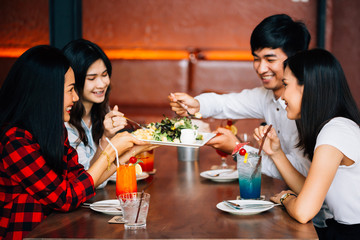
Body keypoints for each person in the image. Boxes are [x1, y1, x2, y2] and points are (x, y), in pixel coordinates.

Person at [0, 45, 148, 239]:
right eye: (71, 90)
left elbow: (81, 179)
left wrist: (127, 154)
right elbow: (65, 197)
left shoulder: (52, 129)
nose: (75, 97)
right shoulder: (15, 141)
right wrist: (111, 150)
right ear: (47, 94)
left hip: (57, 230)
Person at [169, 14, 311, 179]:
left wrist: (238, 149)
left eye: (270, 59)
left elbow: (303, 172)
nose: (260, 68)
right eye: (256, 59)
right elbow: (224, 103)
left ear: (296, 59)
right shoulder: (265, 96)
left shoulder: (310, 103)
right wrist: (197, 105)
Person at [254, 49, 360, 239]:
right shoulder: (338, 126)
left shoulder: (335, 132)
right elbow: (310, 193)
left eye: (286, 85)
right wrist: (276, 153)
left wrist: (286, 198)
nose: (282, 96)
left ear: (308, 87)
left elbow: (303, 212)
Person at [62, 39, 128, 188]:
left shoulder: (103, 110)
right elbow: (86, 179)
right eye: (91, 78)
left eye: (104, 75)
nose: (101, 84)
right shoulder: (64, 122)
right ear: (74, 81)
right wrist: (107, 138)